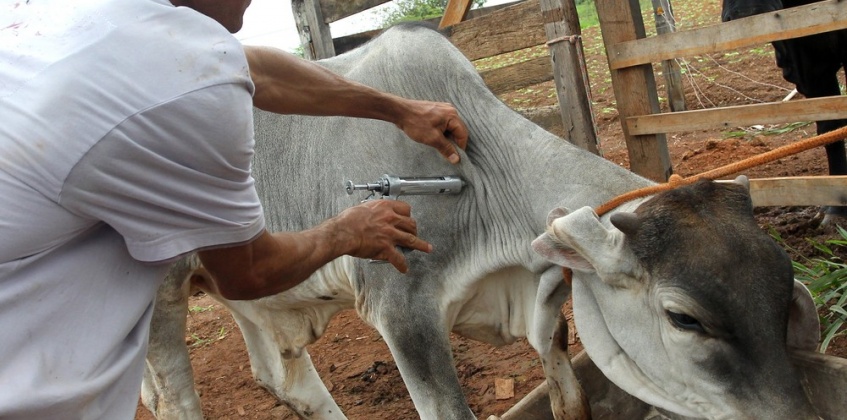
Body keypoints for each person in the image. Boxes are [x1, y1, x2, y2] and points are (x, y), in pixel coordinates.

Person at [0, 0, 468, 418]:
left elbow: (255, 70)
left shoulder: (71, 16)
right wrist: (347, 231)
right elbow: (248, 273)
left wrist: (397, 109)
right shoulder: (189, 95)